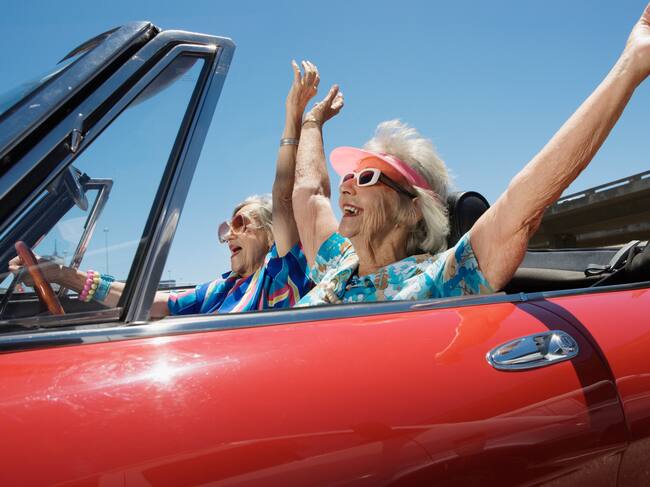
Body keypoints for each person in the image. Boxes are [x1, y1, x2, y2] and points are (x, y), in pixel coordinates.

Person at [292, 5, 650, 306]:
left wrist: (631, 65)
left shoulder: (439, 280)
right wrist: (311, 121)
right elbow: (310, 193)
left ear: (412, 209)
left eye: (367, 177)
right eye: (349, 176)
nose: (347, 186)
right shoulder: (339, 261)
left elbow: (522, 205)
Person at [9, 61, 321, 317]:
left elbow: (283, 197)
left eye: (240, 224)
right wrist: (64, 275)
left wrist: (294, 116)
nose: (228, 236)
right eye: (226, 228)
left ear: (272, 234)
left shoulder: (280, 272)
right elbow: (157, 303)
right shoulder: (223, 289)